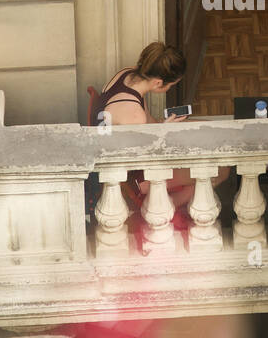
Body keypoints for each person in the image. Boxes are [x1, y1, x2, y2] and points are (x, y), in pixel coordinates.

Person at [90, 42, 227, 213]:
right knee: (221, 170)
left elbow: (147, 124)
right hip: (134, 177)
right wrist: (165, 135)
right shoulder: (133, 114)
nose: (170, 89)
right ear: (158, 83)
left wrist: (164, 127)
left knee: (203, 128)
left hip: (122, 149)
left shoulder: (125, 74)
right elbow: (148, 158)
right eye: (170, 86)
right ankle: (163, 207)